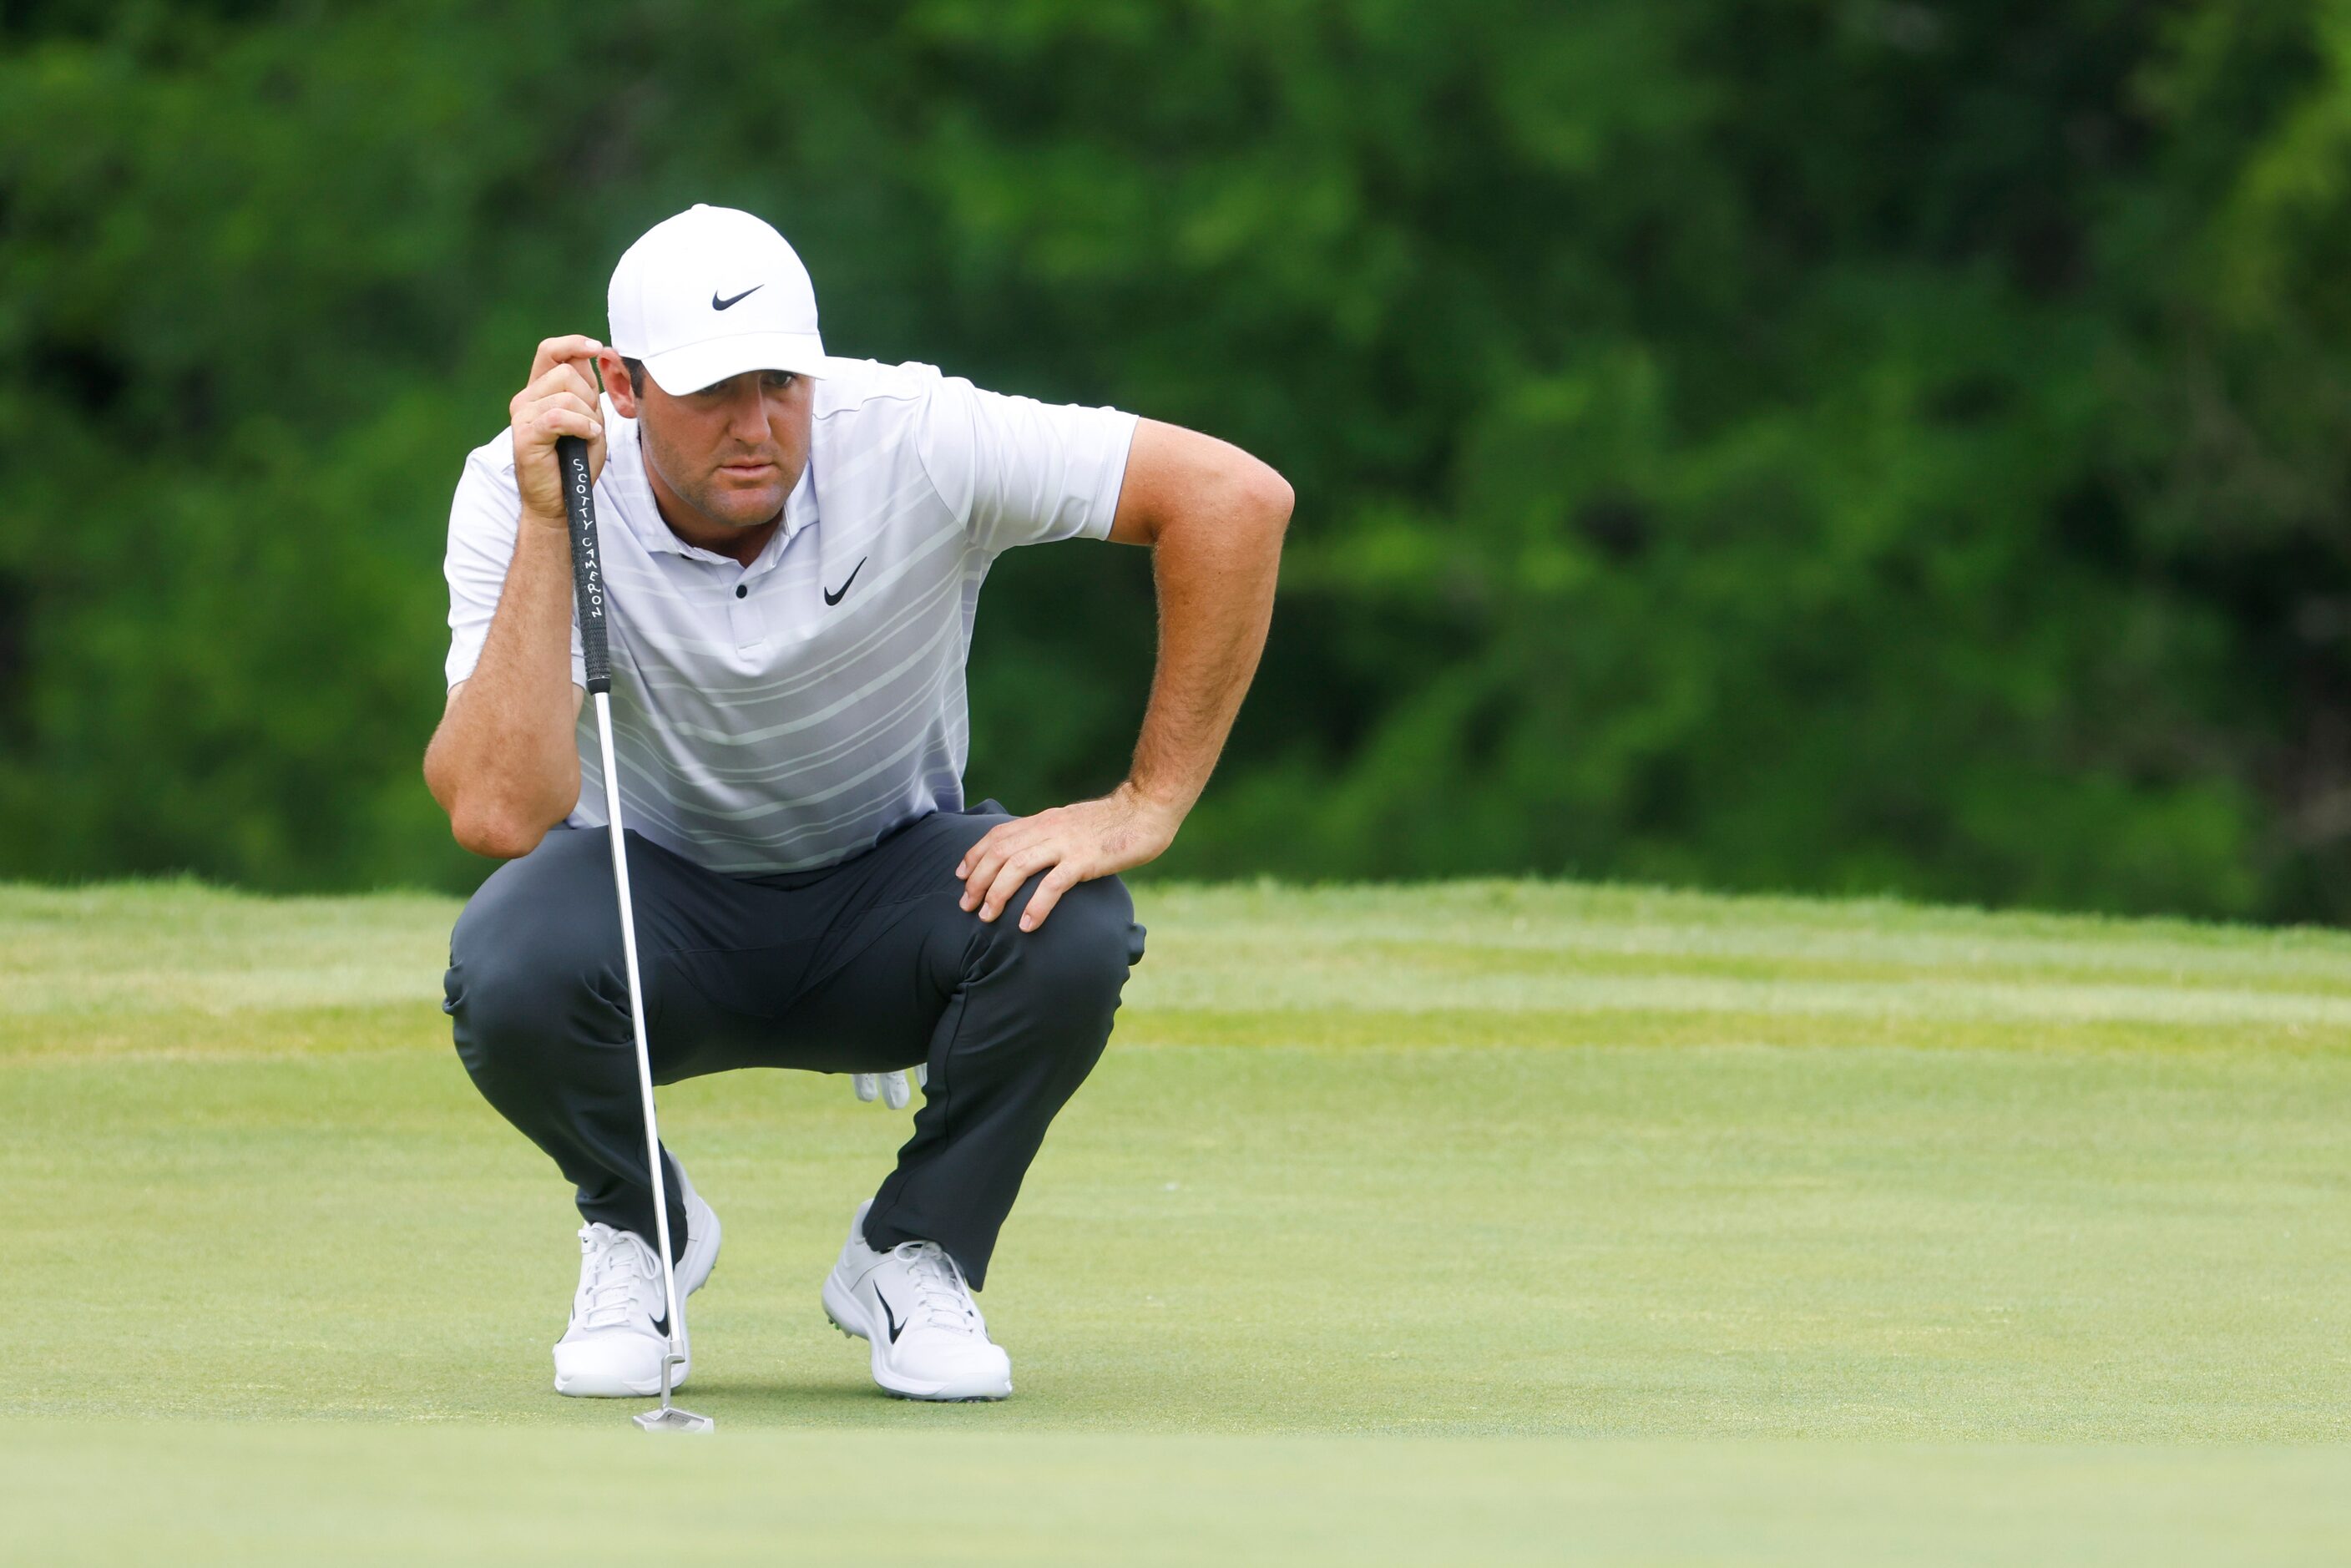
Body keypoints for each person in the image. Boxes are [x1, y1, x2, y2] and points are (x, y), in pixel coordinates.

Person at [423, 205, 1291, 1402]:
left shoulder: (913, 435)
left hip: (890, 902)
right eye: (713, 389)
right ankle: (642, 1227)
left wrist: (1147, 801)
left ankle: (914, 1248)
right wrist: (543, 520)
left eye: (781, 381)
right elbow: (494, 812)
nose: (758, 423)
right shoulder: (524, 489)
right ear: (620, 386)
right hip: (648, 916)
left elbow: (1235, 499)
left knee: (1074, 922)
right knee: (504, 956)